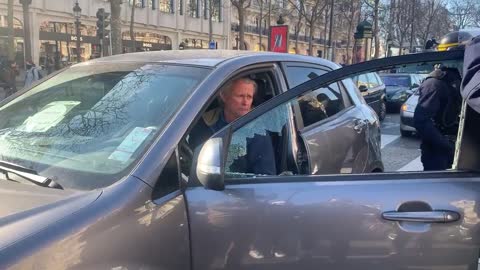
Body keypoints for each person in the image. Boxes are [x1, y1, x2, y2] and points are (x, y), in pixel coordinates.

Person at [189, 77, 277, 175]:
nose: (245, 102)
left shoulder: (258, 131)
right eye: (240, 96)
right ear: (224, 96)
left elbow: (265, 176)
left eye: (249, 97)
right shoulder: (204, 123)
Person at [414, 65, 462, 171]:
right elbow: (421, 121)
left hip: (460, 147)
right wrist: (448, 146)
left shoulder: (461, 80)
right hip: (439, 152)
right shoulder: (434, 84)